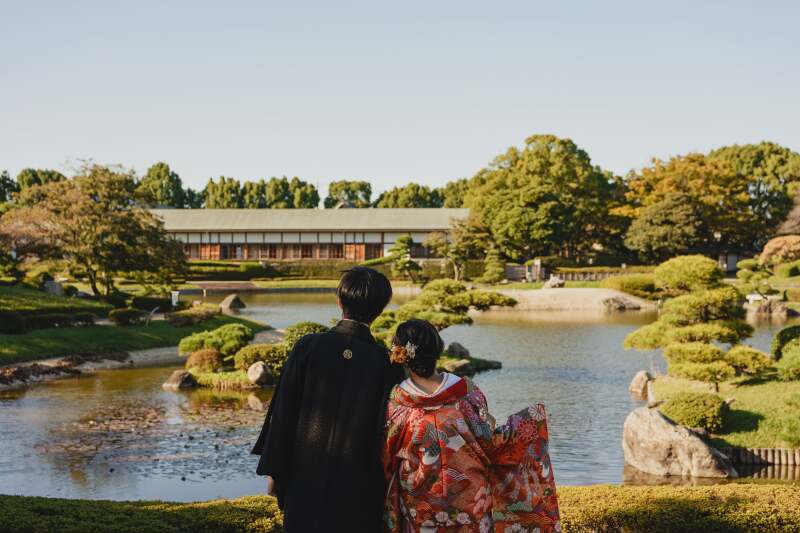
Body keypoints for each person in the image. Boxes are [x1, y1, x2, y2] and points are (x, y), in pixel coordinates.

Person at [251, 267, 405, 533]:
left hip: (303, 478)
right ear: (380, 309)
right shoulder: (385, 362)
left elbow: (284, 412)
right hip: (360, 484)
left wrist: (275, 471)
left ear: (339, 301)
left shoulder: (307, 347)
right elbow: (390, 431)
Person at [382, 319, 561, 533]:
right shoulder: (466, 392)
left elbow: (387, 455)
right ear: (438, 349)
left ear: (402, 355)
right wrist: (529, 424)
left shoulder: (397, 401)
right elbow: (489, 441)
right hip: (472, 499)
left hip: (420, 503)